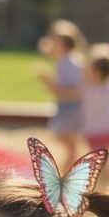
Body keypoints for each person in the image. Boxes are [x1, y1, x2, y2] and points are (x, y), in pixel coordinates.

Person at [36, 19, 86, 172]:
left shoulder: (71, 63)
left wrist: (49, 83)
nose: (49, 41)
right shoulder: (64, 60)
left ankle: (67, 172)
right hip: (67, 106)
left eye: (53, 39)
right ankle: (68, 170)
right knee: (67, 141)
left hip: (71, 108)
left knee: (68, 142)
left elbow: (75, 91)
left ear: (63, 43)